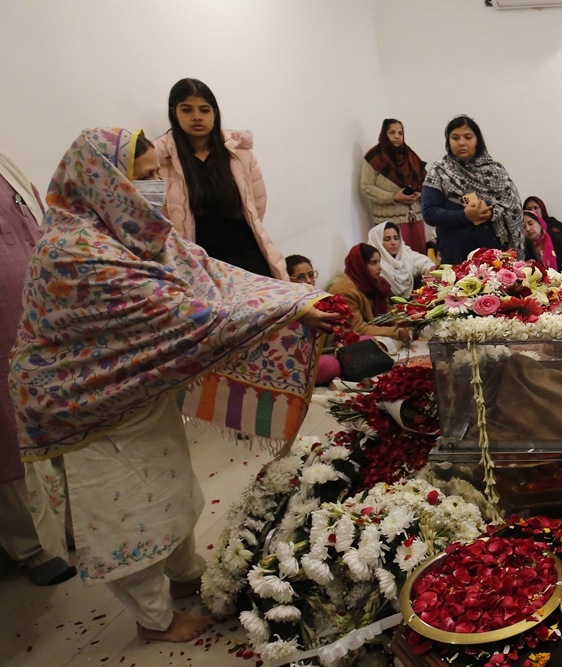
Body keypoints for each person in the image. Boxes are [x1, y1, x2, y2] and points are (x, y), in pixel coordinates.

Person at [10, 128, 338, 642]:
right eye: (141, 177)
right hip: (83, 406)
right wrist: (287, 310)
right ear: (105, 180)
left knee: (170, 488)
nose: (153, 188)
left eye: (155, 176)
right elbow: (183, 314)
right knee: (127, 513)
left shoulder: (130, 229)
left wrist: (292, 299)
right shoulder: (73, 251)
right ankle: (154, 621)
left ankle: (184, 575)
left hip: (136, 392)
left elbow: (210, 273)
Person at [0, 148, 76, 587]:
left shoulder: (6, 163)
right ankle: (30, 546)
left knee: (51, 416)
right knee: (7, 432)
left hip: (38, 319)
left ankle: (65, 525)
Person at [153, 78, 285, 278]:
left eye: (204, 110)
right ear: (174, 113)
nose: (197, 117)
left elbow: (257, 205)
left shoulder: (240, 154)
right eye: (187, 110)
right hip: (199, 263)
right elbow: (159, 219)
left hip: (248, 254)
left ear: (215, 113)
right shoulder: (161, 162)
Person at [422, 116, 523, 265]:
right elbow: (429, 213)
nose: (461, 143)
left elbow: (513, 210)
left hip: (493, 255)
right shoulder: (440, 171)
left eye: (468, 137)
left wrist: (492, 212)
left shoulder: (495, 171)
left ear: (478, 140)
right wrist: (465, 215)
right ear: (448, 141)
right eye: (455, 138)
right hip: (455, 254)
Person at [361, 119, 427, 252]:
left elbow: (426, 183)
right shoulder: (374, 157)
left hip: (415, 218)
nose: (397, 136)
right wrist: (393, 197)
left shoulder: (410, 156)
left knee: (419, 258)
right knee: (394, 259)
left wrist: (419, 194)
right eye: (392, 132)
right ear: (384, 134)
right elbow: (366, 187)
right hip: (389, 224)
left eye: (400, 133)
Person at [327, 243, 410, 340]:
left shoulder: (374, 282)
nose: (380, 267)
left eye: (379, 261)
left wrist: (401, 322)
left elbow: (387, 310)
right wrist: (396, 332)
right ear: (360, 265)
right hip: (352, 338)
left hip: (373, 329)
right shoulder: (346, 291)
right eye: (373, 263)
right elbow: (358, 329)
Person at [367, 220, 436, 298]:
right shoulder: (374, 264)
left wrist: (431, 271)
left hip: (411, 300)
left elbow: (425, 263)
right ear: (377, 242)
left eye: (396, 238)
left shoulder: (405, 254)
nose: (393, 243)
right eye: (387, 239)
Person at [523, 196, 562, 269]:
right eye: (523, 227)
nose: (528, 229)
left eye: (531, 224)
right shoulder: (523, 246)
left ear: (540, 223)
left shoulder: (558, 240)